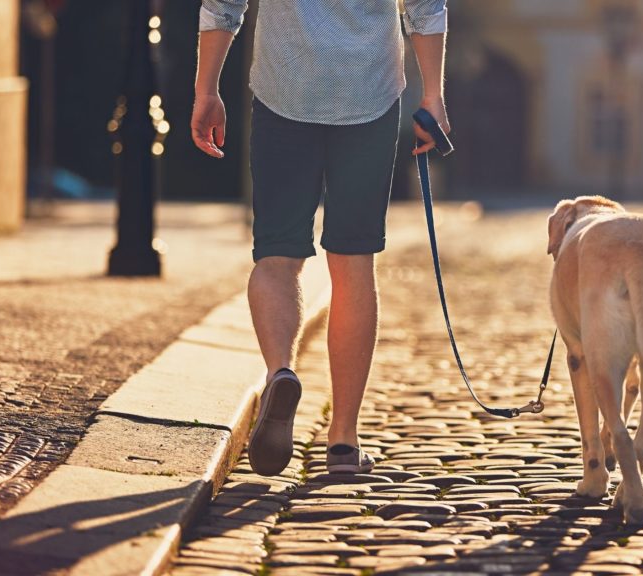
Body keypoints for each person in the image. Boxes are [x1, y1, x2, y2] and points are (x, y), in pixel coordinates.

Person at [192, 0, 450, 476]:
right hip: (369, 99)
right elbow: (426, 9)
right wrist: (432, 97)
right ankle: (344, 441)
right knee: (353, 263)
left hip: (282, 94)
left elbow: (222, 6)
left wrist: (206, 89)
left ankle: (280, 373)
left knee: (276, 256)